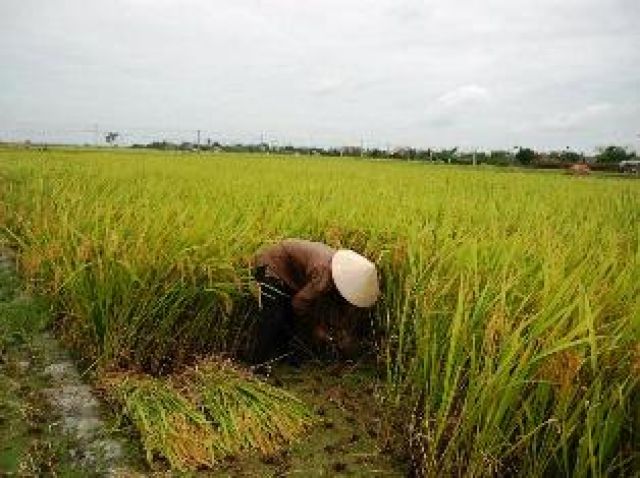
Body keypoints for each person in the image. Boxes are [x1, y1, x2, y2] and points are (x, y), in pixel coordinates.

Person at [252, 238, 380, 365]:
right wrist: (315, 326)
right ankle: (256, 363)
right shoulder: (323, 276)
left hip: (292, 274)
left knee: (285, 316)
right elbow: (298, 302)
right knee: (275, 316)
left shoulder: (339, 269)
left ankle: (281, 359)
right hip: (271, 265)